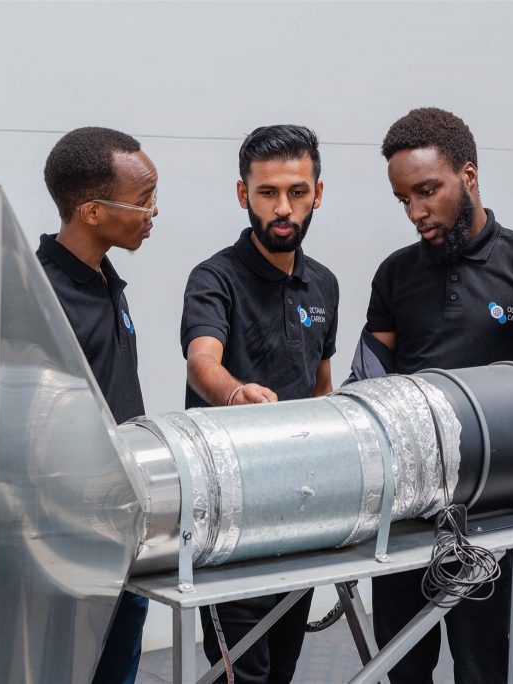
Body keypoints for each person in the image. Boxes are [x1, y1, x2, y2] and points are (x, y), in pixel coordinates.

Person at [349, 107, 513, 683]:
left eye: (427, 191)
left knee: (481, 667)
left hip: (495, 514)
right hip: (407, 513)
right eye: (404, 200)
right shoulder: (395, 274)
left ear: (468, 176)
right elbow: (368, 376)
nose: (417, 213)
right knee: (402, 664)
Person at [180, 124, 339, 683]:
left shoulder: (324, 285)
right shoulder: (214, 278)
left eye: (297, 192)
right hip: (231, 516)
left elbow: (323, 387)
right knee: (240, 672)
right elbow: (202, 360)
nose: (283, 208)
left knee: (282, 667)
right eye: (267, 192)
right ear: (243, 193)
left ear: (317, 193)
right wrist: (234, 392)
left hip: (302, 510)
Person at [38, 126, 158, 684]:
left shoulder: (108, 280)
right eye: (142, 201)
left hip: (122, 528)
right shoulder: (42, 300)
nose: (153, 212)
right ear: (90, 211)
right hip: (66, 546)